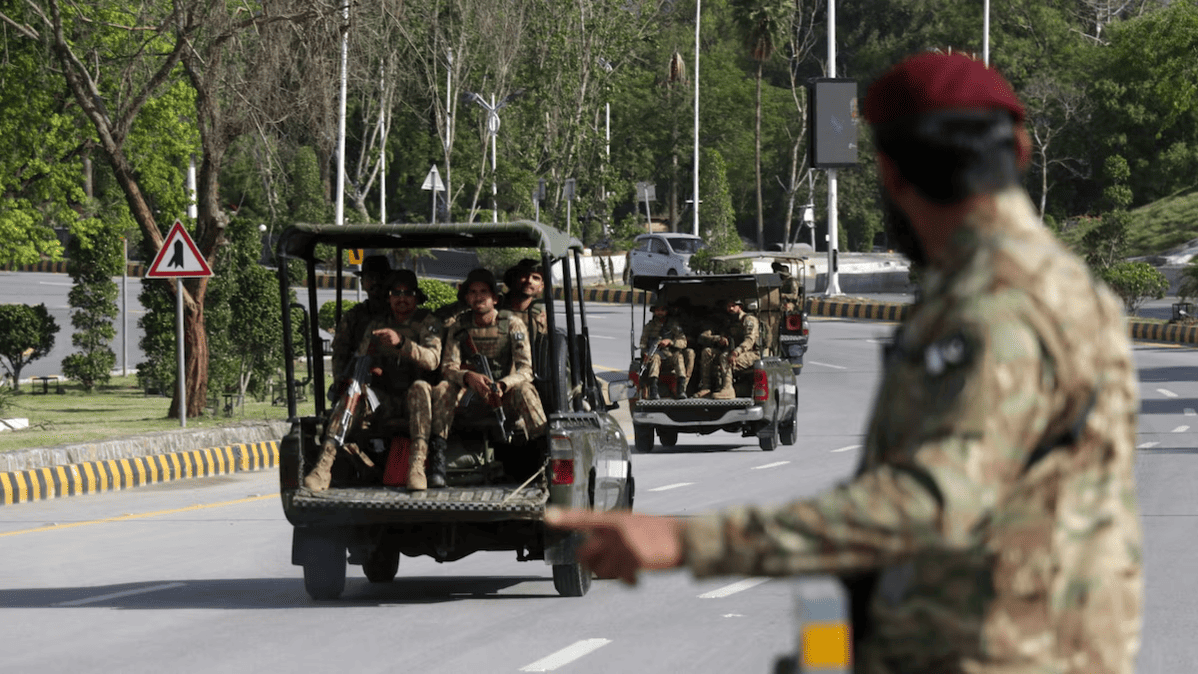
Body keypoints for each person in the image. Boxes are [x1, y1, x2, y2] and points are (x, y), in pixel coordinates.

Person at [547, 51, 1141, 674]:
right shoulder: (1044, 288)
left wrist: (684, 540)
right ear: (1019, 150)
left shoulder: (999, 307)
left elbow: (928, 502)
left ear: (891, 174)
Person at [305, 269, 443, 491]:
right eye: (396, 293)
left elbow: (432, 360)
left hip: (418, 402)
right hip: (385, 399)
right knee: (352, 394)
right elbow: (362, 357)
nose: (401, 298)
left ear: (416, 297)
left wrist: (401, 344)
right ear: (389, 298)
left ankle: (416, 467)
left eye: (407, 293)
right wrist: (365, 371)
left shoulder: (427, 322)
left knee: (420, 388)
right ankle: (324, 466)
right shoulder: (377, 325)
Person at [431, 268, 548, 456]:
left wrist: (503, 384)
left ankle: (544, 453)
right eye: (473, 292)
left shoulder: (512, 323)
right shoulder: (459, 326)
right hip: (469, 397)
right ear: (467, 298)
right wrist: (468, 377)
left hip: (503, 396)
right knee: (443, 388)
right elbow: (448, 368)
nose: (478, 297)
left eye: (484, 292)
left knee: (525, 390)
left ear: (494, 298)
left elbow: (526, 369)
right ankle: (438, 454)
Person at [330, 255, 392, 381]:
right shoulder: (353, 317)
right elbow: (340, 354)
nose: (375, 282)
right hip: (361, 379)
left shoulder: (400, 313)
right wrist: (341, 382)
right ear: (362, 283)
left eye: (380, 277)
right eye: (370, 278)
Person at [694, 297, 760, 399]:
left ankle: (728, 389)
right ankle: (706, 388)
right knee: (707, 352)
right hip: (731, 351)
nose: (730, 308)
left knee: (725, 357)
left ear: (740, 307)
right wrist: (720, 340)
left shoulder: (749, 320)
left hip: (751, 353)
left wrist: (736, 352)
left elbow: (750, 340)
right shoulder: (729, 322)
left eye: (733, 306)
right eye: (728, 306)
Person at [638, 296, 689, 400]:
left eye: (662, 310)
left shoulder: (673, 325)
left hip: (670, 355)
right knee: (655, 358)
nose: (660, 313)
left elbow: (683, 342)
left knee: (679, 357)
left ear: (666, 311)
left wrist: (670, 342)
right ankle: (654, 391)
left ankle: (680, 390)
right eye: (657, 310)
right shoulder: (649, 326)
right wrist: (645, 354)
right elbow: (643, 343)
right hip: (655, 355)